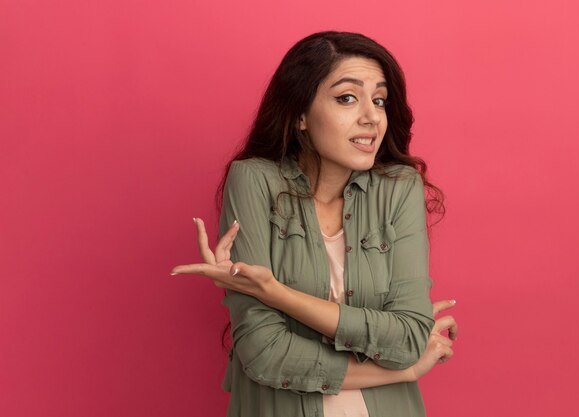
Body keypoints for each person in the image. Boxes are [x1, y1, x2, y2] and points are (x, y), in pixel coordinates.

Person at [171, 31, 457, 417]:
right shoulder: (254, 181)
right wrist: (402, 370)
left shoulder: (399, 188)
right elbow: (264, 353)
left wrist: (275, 293)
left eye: (379, 100)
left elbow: (406, 337)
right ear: (301, 114)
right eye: (347, 98)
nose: (372, 117)